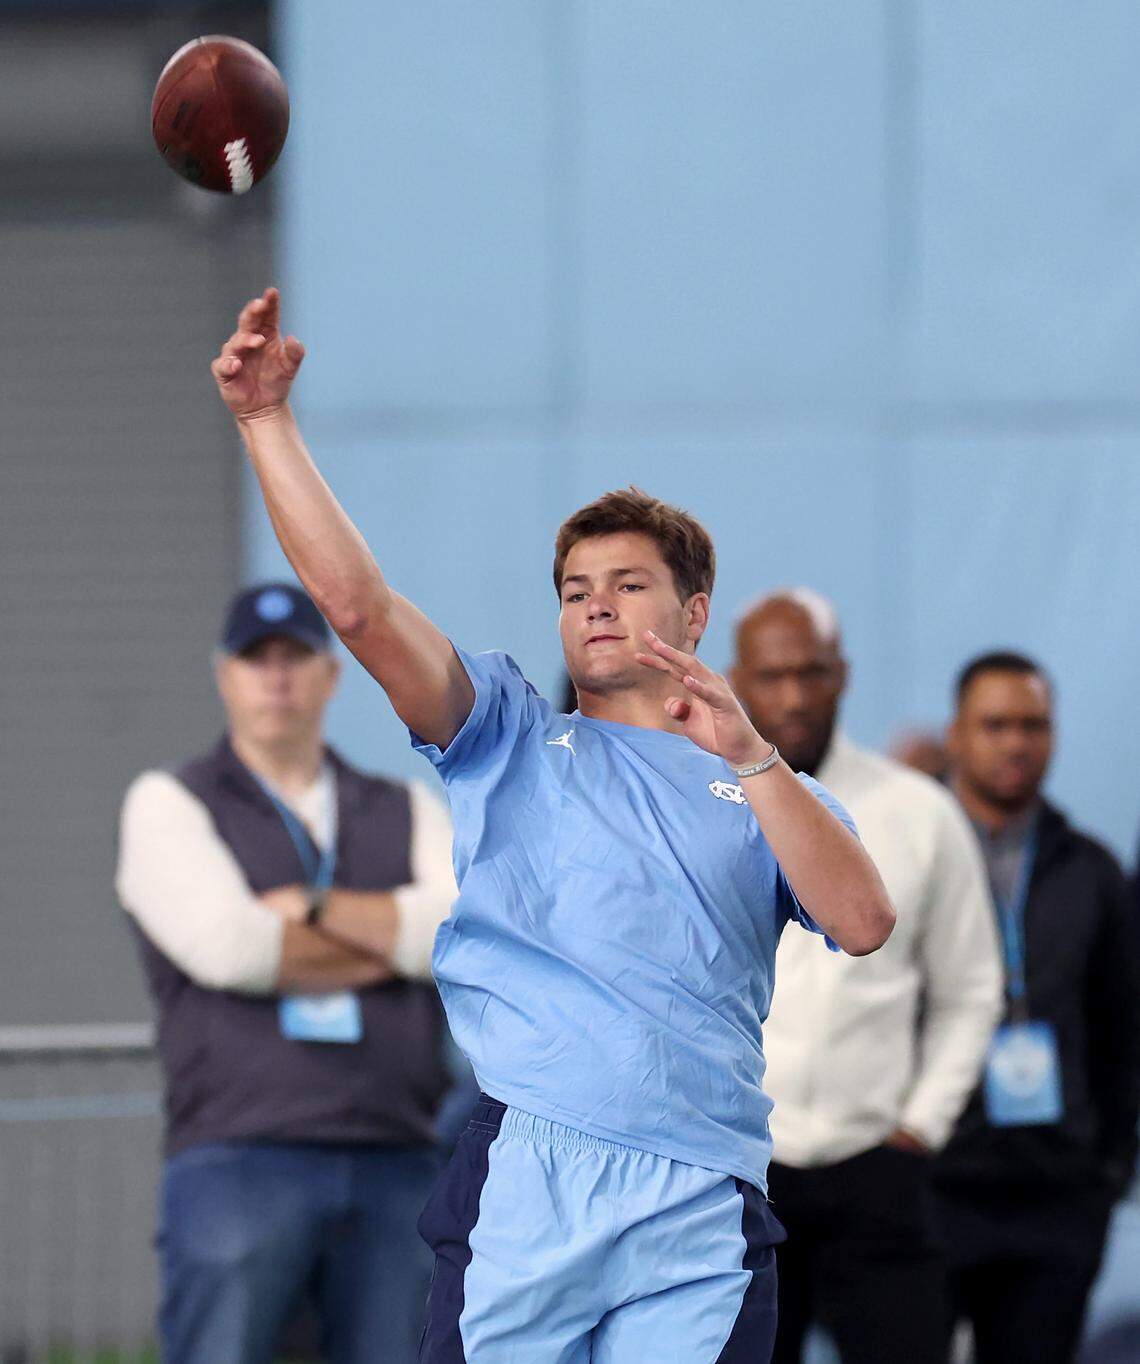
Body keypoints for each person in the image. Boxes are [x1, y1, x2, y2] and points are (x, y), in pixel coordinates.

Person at [207, 287, 896, 1363]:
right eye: (576, 588)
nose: (597, 604)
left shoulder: (764, 782)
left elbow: (862, 920)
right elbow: (360, 610)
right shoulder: (510, 734)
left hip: (698, 1197)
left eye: (630, 582)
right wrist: (265, 422)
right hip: (529, 1170)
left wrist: (755, 753)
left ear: (696, 613)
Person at [116, 581, 458, 1364]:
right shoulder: (169, 802)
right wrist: (387, 938)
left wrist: (304, 907)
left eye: (296, 658)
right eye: (255, 659)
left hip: (394, 1158)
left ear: (331, 677)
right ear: (223, 675)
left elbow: (457, 936)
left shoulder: (404, 804)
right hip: (238, 1159)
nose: (276, 677)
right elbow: (226, 948)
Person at [730, 590, 1003, 1364]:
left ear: (842, 675)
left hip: (880, 1168)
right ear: (734, 677)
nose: (791, 696)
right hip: (741, 1174)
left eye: (810, 673)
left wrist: (921, 1123)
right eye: (771, 674)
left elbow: (970, 988)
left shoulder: (918, 811)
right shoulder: (695, 807)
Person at [934, 651, 1140, 1364]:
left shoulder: (1092, 869)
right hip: (932, 1189)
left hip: (1056, 1196)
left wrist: (1109, 1168)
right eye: (995, 725)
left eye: (1033, 724)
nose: (1016, 742)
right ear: (956, 734)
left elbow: (1122, 1028)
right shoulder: (903, 855)